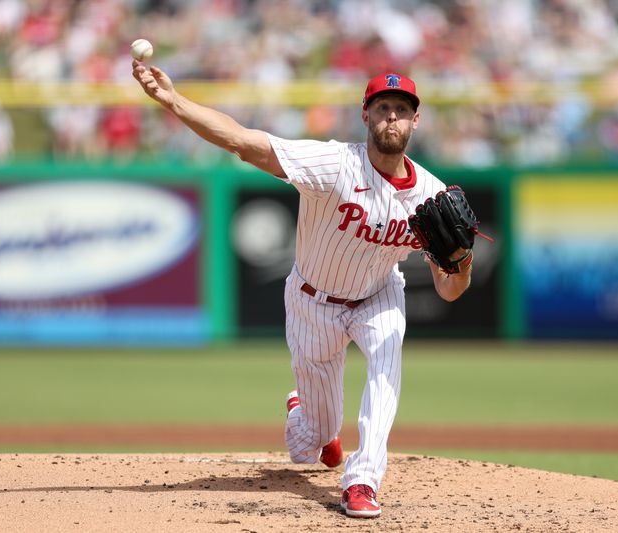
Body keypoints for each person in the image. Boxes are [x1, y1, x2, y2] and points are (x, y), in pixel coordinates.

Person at [132, 61, 474, 518]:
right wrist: (173, 100)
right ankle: (307, 415)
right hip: (314, 301)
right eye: (383, 107)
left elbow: (449, 291)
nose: (392, 116)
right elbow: (242, 142)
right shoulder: (333, 164)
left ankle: (363, 480)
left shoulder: (429, 195)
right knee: (309, 444)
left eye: (401, 109)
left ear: (416, 119)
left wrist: (462, 261)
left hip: (378, 296)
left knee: (386, 367)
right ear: (366, 116)